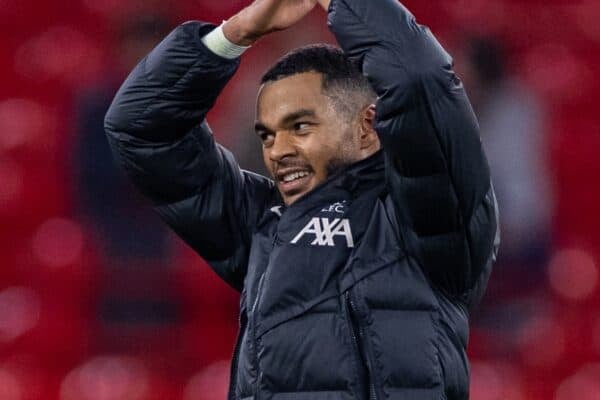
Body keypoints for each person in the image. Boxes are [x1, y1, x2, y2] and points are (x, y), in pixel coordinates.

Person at [104, 0, 499, 399]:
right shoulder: (261, 223)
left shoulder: (428, 216)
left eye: (300, 126)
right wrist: (235, 33)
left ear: (366, 127)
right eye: (268, 135)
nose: (278, 150)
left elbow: (419, 79)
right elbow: (140, 129)